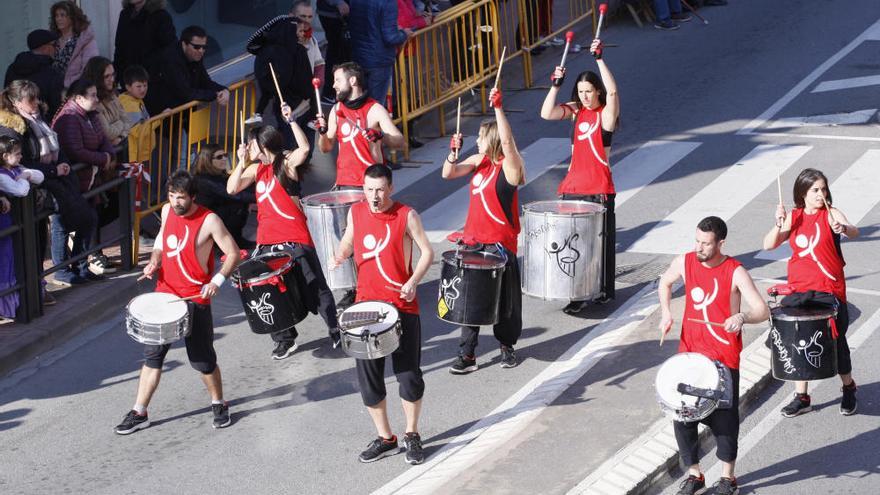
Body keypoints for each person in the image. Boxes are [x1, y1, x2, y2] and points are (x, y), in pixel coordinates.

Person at [115, 170, 240, 435]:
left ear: (192, 197)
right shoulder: (168, 211)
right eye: (172, 196)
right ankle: (140, 411)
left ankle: (218, 403)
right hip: (165, 296)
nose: (175, 202)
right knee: (152, 357)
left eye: (181, 197)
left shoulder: (209, 220)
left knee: (203, 360)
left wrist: (216, 282)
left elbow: (232, 253)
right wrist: (154, 261)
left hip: (195, 299)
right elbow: (162, 240)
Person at [330, 163, 433, 465]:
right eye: (368, 189)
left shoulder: (406, 215)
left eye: (379, 190)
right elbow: (349, 240)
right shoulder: (357, 212)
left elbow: (427, 251)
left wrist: (413, 281)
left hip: (401, 307)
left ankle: (411, 434)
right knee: (369, 380)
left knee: (409, 377)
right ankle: (385, 437)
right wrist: (340, 254)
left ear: (390, 188)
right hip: (366, 308)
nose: (374, 196)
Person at [658, 216, 770, 495]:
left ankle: (728, 478)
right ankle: (695, 474)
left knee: (724, 421)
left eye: (706, 244)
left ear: (721, 243)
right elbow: (665, 282)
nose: (700, 248)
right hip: (690, 356)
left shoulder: (735, 271)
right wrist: (665, 312)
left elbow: (762, 309)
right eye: (697, 241)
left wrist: (742, 316)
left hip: (722, 358)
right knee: (683, 416)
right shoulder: (686, 261)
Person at [227, 106, 340, 359]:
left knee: (315, 286)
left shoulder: (284, 163)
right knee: (269, 290)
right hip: (267, 241)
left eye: (251, 144)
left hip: (294, 237)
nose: (249, 147)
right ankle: (285, 339)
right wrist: (241, 160)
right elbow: (232, 188)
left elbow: (305, 149)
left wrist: (292, 122)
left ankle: (335, 328)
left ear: (262, 143)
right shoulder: (256, 170)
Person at [762, 168, 859, 418]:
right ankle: (802, 397)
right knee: (795, 338)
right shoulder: (794, 216)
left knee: (835, 342)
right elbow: (769, 244)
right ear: (803, 193)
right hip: (799, 289)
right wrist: (778, 223)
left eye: (823, 189)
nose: (821, 194)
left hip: (829, 291)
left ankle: (848, 387)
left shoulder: (830, 213)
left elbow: (854, 230)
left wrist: (843, 228)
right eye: (815, 190)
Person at [443, 87, 524, 373]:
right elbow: (448, 173)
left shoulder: (509, 168)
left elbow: (509, 143)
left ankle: (506, 346)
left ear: (491, 139)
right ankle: (467, 354)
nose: (475, 141)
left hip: (500, 246)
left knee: (505, 301)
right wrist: (452, 153)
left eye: (479, 137)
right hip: (474, 243)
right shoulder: (479, 162)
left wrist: (499, 108)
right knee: (469, 300)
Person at [540, 37, 620, 315]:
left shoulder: (605, 116)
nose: (585, 96)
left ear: (597, 91)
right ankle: (578, 292)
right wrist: (556, 85)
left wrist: (599, 58)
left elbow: (613, 94)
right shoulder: (575, 112)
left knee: (599, 243)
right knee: (572, 244)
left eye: (589, 91)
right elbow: (547, 113)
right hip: (573, 186)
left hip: (598, 188)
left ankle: (603, 291)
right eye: (581, 91)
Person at [52, 78, 117, 277]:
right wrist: (102, 158)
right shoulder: (69, 118)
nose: (97, 99)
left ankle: (80, 265)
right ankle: (62, 270)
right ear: (78, 98)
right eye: (93, 95)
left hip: (89, 179)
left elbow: (102, 139)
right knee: (62, 225)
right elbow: (75, 150)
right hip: (72, 180)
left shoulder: (91, 114)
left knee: (88, 221)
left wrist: (108, 154)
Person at [316, 62, 405, 189]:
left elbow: (400, 142)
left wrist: (380, 136)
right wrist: (322, 134)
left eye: (338, 80)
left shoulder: (375, 109)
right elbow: (325, 148)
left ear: (352, 80)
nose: (334, 85)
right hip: (345, 183)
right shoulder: (336, 110)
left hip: (371, 184)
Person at [246, 12, 315, 149]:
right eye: (299, 31)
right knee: (299, 146)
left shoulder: (266, 51)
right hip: (300, 105)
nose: (302, 34)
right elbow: (306, 84)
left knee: (289, 145)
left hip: (284, 107)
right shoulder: (297, 51)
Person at [0, 136, 45, 321]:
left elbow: (40, 176)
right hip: (5, 225)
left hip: (14, 224)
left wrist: (26, 174)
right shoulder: (2, 175)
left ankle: (21, 301)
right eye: (16, 154)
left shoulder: (16, 169)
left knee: (15, 261)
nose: (20, 157)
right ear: (4, 156)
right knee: (6, 264)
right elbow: (20, 190)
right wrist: (25, 178)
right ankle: (6, 306)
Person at [145, 25, 229, 115]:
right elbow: (185, 92)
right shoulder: (170, 60)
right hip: (163, 114)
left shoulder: (196, 56)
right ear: (184, 44)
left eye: (204, 47)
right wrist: (215, 94)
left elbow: (205, 81)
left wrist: (224, 90)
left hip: (182, 112)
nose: (201, 51)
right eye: (196, 47)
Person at [348, 0, 414, 103]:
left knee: (361, 103)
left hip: (359, 56)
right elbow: (390, 38)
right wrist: (404, 34)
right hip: (379, 60)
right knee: (376, 105)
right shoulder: (388, 3)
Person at [193, 143, 255, 248]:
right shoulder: (204, 180)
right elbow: (234, 194)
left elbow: (239, 187)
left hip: (216, 212)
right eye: (219, 157)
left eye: (225, 155)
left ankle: (234, 239)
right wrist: (263, 197)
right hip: (207, 218)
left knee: (241, 202)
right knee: (238, 205)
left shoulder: (218, 174)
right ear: (207, 160)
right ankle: (230, 242)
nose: (224, 159)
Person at [113, 0, 176, 86]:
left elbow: (169, 50)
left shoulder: (161, 16)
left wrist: (154, 71)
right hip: (128, 80)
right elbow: (119, 48)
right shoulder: (125, 14)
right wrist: (115, 78)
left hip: (151, 81)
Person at [4, 29, 64, 117]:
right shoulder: (51, 73)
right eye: (54, 45)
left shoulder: (12, 68)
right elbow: (57, 107)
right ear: (45, 48)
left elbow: (7, 96)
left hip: (15, 122)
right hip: (41, 125)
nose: (57, 48)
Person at [82, 57, 132, 152]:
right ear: (97, 78)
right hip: (104, 157)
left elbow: (128, 121)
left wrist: (121, 137)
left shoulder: (112, 94)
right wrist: (121, 122)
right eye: (107, 76)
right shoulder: (92, 102)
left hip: (120, 149)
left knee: (142, 167)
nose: (112, 79)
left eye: (113, 75)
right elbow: (108, 133)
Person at [49, 1, 99, 88]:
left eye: (62, 15)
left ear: (72, 17)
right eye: (56, 15)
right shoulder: (53, 41)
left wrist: (67, 84)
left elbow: (88, 69)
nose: (58, 19)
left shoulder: (85, 40)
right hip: (54, 89)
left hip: (76, 90)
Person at [316, 0, 352, 103]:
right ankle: (331, 92)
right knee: (337, 53)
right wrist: (338, 2)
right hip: (334, 14)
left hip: (336, 12)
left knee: (339, 52)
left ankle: (334, 91)